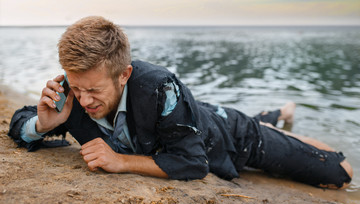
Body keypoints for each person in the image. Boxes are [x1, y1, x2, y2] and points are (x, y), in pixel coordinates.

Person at [8, 16, 353, 189]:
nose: (83, 100)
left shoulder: (160, 86)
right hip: (188, 116)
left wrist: (122, 161)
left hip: (231, 136)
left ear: (124, 74)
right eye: (76, 87)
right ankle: (272, 115)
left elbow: (194, 164)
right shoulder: (75, 89)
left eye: (94, 91)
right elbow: (19, 122)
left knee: (339, 173)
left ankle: (269, 121)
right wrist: (45, 125)